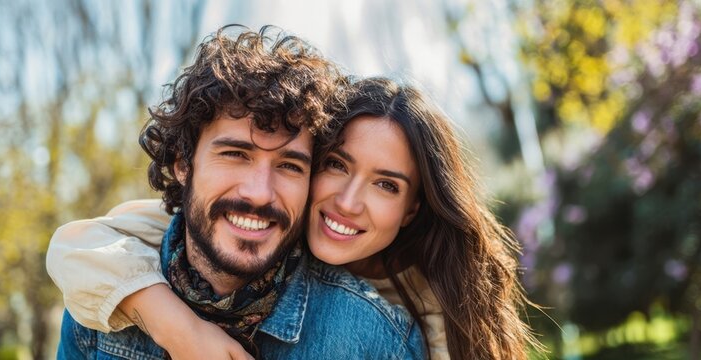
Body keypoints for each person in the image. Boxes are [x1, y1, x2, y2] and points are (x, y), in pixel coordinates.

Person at [50, 76, 540, 359]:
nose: (348, 202)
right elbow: (84, 245)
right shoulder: (138, 271)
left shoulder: (403, 322)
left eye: (386, 184)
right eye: (336, 165)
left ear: (413, 208)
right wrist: (177, 325)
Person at [50, 25, 427, 359]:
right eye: (235, 155)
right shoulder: (100, 306)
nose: (260, 193)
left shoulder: (378, 341)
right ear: (183, 163)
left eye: (289, 165)